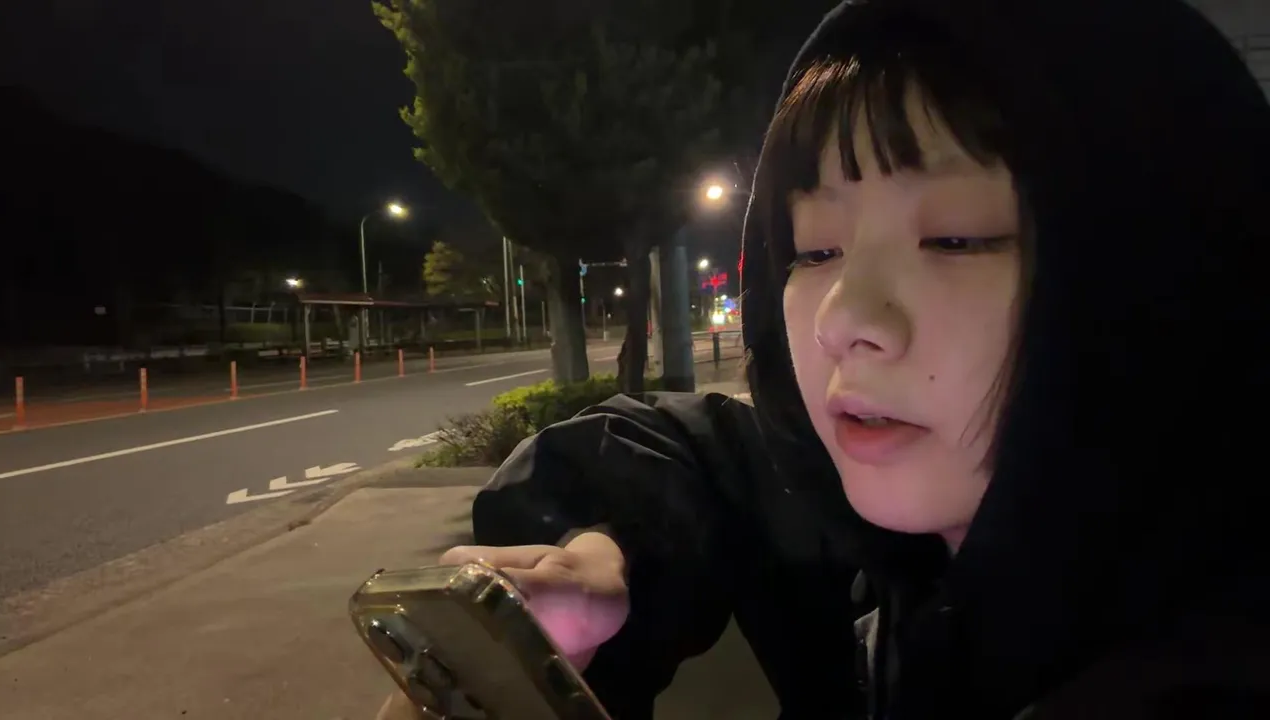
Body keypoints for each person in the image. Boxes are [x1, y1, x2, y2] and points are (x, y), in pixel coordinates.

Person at [378, 0, 1270, 717]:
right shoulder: (886, 544)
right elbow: (696, 454)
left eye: (956, 238)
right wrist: (602, 558)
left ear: (1162, 276)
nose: (843, 317)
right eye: (813, 248)